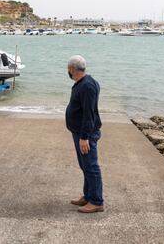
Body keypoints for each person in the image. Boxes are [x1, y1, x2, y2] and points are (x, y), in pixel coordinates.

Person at [65, 55, 104, 213]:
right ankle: (88, 196)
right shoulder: (82, 83)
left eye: (68, 69)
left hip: (85, 134)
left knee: (91, 166)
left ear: (72, 69)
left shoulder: (87, 86)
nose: (68, 72)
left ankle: (96, 201)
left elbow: (89, 114)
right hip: (79, 132)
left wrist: (84, 137)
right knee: (85, 166)